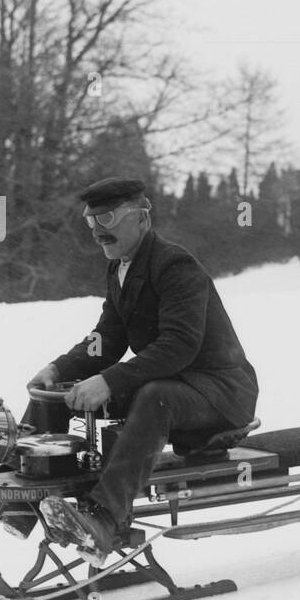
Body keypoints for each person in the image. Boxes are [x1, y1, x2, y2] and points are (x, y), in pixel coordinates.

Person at [31, 177, 259, 562]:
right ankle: (19, 496)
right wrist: (58, 368)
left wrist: (110, 380)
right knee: (62, 393)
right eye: (91, 222)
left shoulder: (174, 265)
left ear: (142, 218)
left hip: (220, 393)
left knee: (155, 396)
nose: (98, 232)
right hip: (175, 383)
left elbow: (179, 346)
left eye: (107, 218)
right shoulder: (121, 268)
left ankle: (104, 518)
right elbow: (108, 338)